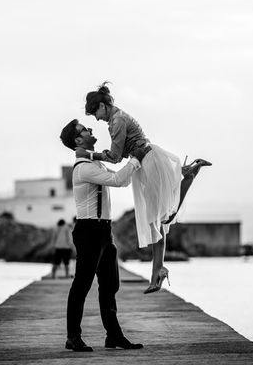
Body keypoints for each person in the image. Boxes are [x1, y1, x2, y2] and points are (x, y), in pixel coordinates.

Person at [78, 82, 212, 293]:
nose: (96, 118)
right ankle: (157, 270)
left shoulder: (117, 121)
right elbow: (121, 153)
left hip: (147, 163)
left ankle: (157, 271)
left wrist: (90, 155)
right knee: (160, 219)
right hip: (146, 160)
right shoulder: (117, 118)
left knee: (157, 219)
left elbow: (114, 157)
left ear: (102, 106)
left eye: (95, 112)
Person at [59, 119, 145, 352]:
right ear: (78, 140)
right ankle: (73, 337)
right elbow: (118, 180)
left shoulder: (94, 163)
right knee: (82, 285)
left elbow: (123, 180)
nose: (90, 130)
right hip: (89, 230)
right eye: (85, 130)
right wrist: (136, 158)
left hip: (103, 230)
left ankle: (114, 336)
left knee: (110, 285)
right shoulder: (84, 168)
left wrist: (132, 161)